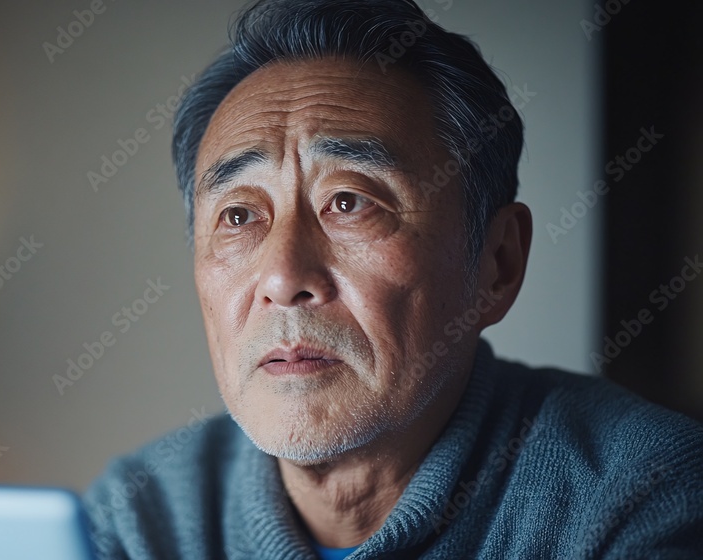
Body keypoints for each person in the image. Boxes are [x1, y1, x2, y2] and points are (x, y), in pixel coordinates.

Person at [83, 1, 703, 558]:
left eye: (350, 202)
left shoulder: (645, 496)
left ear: (497, 263)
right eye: (239, 215)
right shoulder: (136, 518)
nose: (282, 276)